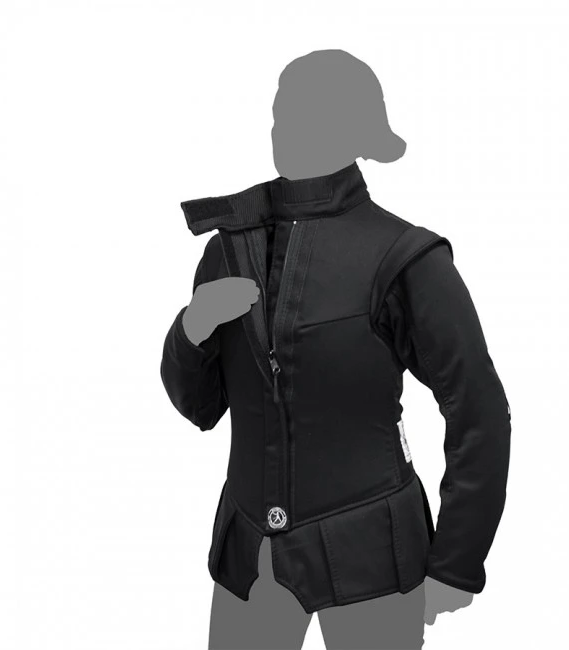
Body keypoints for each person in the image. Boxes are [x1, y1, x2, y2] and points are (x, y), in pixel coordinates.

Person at [160, 49, 511, 650]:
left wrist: (456, 562)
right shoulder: (227, 250)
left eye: (305, 118)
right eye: (280, 116)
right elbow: (201, 408)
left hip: (370, 559)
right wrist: (192, 328)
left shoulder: (406, 257)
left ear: (354, 131)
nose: (283, 131)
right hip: (250, 562)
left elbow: (479, 410)